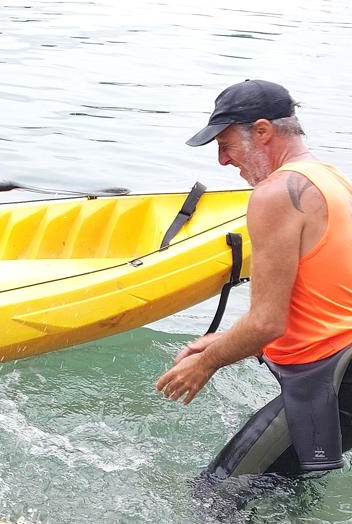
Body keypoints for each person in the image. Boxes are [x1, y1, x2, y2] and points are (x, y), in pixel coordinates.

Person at [156, 80, 352, 480]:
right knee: (280, 482)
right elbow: (325, 303)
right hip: (342, 374)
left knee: (216, 493)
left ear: (262, 131)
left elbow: (267, 321)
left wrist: (206, 364)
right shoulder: (331, 179)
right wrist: (225, 342)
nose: (223, 161)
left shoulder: (276, 193)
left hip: (333, 383)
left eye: (225, 145)